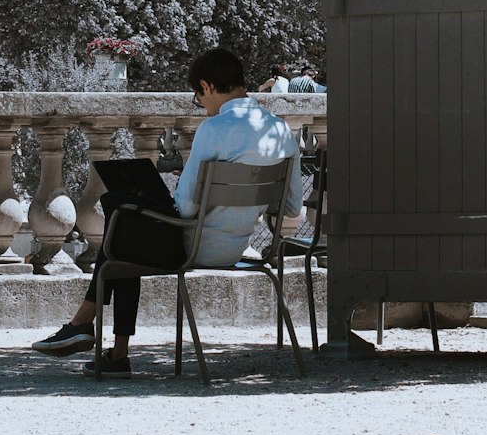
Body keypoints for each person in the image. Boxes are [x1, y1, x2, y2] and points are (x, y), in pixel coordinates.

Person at [31, 46, 303, 376]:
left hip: (193, 248)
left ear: (206, 86)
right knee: (126, 221)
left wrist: (188, 186)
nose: (201, 105)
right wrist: (248, 189)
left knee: (123, 216)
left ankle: (88, 328)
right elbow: (291, 207)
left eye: (198, 96)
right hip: (236, 247)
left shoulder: (214, 130)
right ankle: (108, 348)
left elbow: (187, 207)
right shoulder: (281, 131)